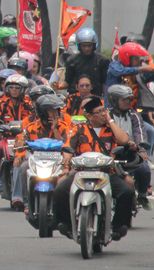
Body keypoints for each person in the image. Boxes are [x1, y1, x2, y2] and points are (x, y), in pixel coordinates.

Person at [53, 96, 134, 241]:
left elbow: (123, 140)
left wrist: (110, 120)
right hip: (80, 171)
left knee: (127, 191)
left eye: (104, 110)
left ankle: (118, 226)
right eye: (99, 112)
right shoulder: (78, 129)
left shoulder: (111, 129)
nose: (103, 114)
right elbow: (67, 148)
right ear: (89, 116)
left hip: (107, 172)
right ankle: (65, 223)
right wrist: (66, 164)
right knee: (59, 188)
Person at [11, 95, 72, 210]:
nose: (55, 113)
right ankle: (27, 202)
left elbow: (66, 144)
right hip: (37, 160)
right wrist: (19, 155)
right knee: (23, 168)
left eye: (56, 110)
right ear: (43, 112)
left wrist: (54, 129)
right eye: (51, 110)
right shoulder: (30, 127)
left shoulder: (63, 127)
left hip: (58, 160)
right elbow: (21, 141)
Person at [107, 84, 151, 209]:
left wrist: (140, 148)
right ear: (114, 100)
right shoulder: (107, 115)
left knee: (144, 169)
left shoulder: (134, 115)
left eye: (130, 99)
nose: (128, 102)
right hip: (112, 153)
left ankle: (142, 195)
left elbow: (139, 132)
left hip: (131, 152)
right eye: (124, 99)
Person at [0, 74, 33, 180]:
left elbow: (34, 118)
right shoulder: (1, 102)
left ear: (23, 89)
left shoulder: (29, 103)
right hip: (6, 135)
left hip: (24, 135)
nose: (14, 90)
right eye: (11, 87)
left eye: (17, 88)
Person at [59, 28, 110, 96]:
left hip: (96, 99)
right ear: (79, 46)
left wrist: (106, 99)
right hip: (75, 98)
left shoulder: (102, 61)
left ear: (94, 45)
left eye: (89, 45)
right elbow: (67, 81)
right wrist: (57, 85)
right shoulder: (71, 61)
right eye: (84, 46)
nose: (87, 48)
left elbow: (105, 83)